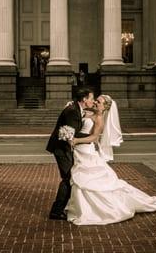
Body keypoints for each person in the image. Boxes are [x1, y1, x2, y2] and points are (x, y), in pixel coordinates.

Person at [64, 95, 156, 225]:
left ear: (105, 107)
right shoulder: (88, 112)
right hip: (80, 151)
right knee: (80, 179)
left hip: (86, 150)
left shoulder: (99, 118)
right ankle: (80, 207)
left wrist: (76, 141)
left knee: (85, 179)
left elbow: (94, 137)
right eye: (96, 100)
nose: (96, 102)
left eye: (99, 102)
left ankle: (95, 210)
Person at [46, 88, 95, 220]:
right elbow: (70, 133)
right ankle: (56, 212)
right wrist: (91, 137)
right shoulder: (73, 111)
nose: (93, 101)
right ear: (84, 99)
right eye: (91, 98)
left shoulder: (75, 109)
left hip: (63, 148)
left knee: (69, 177)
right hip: (61, 149)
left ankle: (61, 208)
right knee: (68, 178)